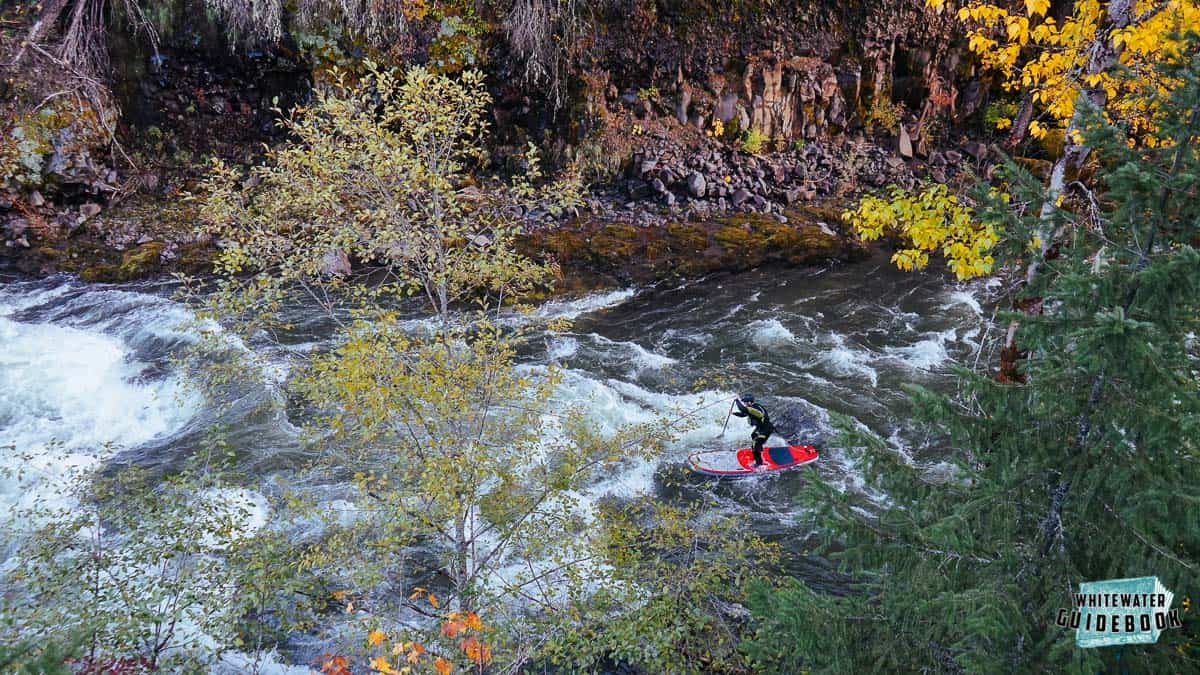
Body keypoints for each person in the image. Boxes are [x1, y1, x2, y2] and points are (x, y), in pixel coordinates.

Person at [732, 393, 774, 468]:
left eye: (745, 402)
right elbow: (744, 414)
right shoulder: (751, 408)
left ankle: (759, 464)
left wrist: (736, 400)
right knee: (753, 435)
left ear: (750, 402)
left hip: (766, 429)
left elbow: (743, 409)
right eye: (744, 402)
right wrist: (735, 414)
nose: (744, 404)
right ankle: (759, 451)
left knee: (756, 443)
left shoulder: (755, 408)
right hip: (761, 428)